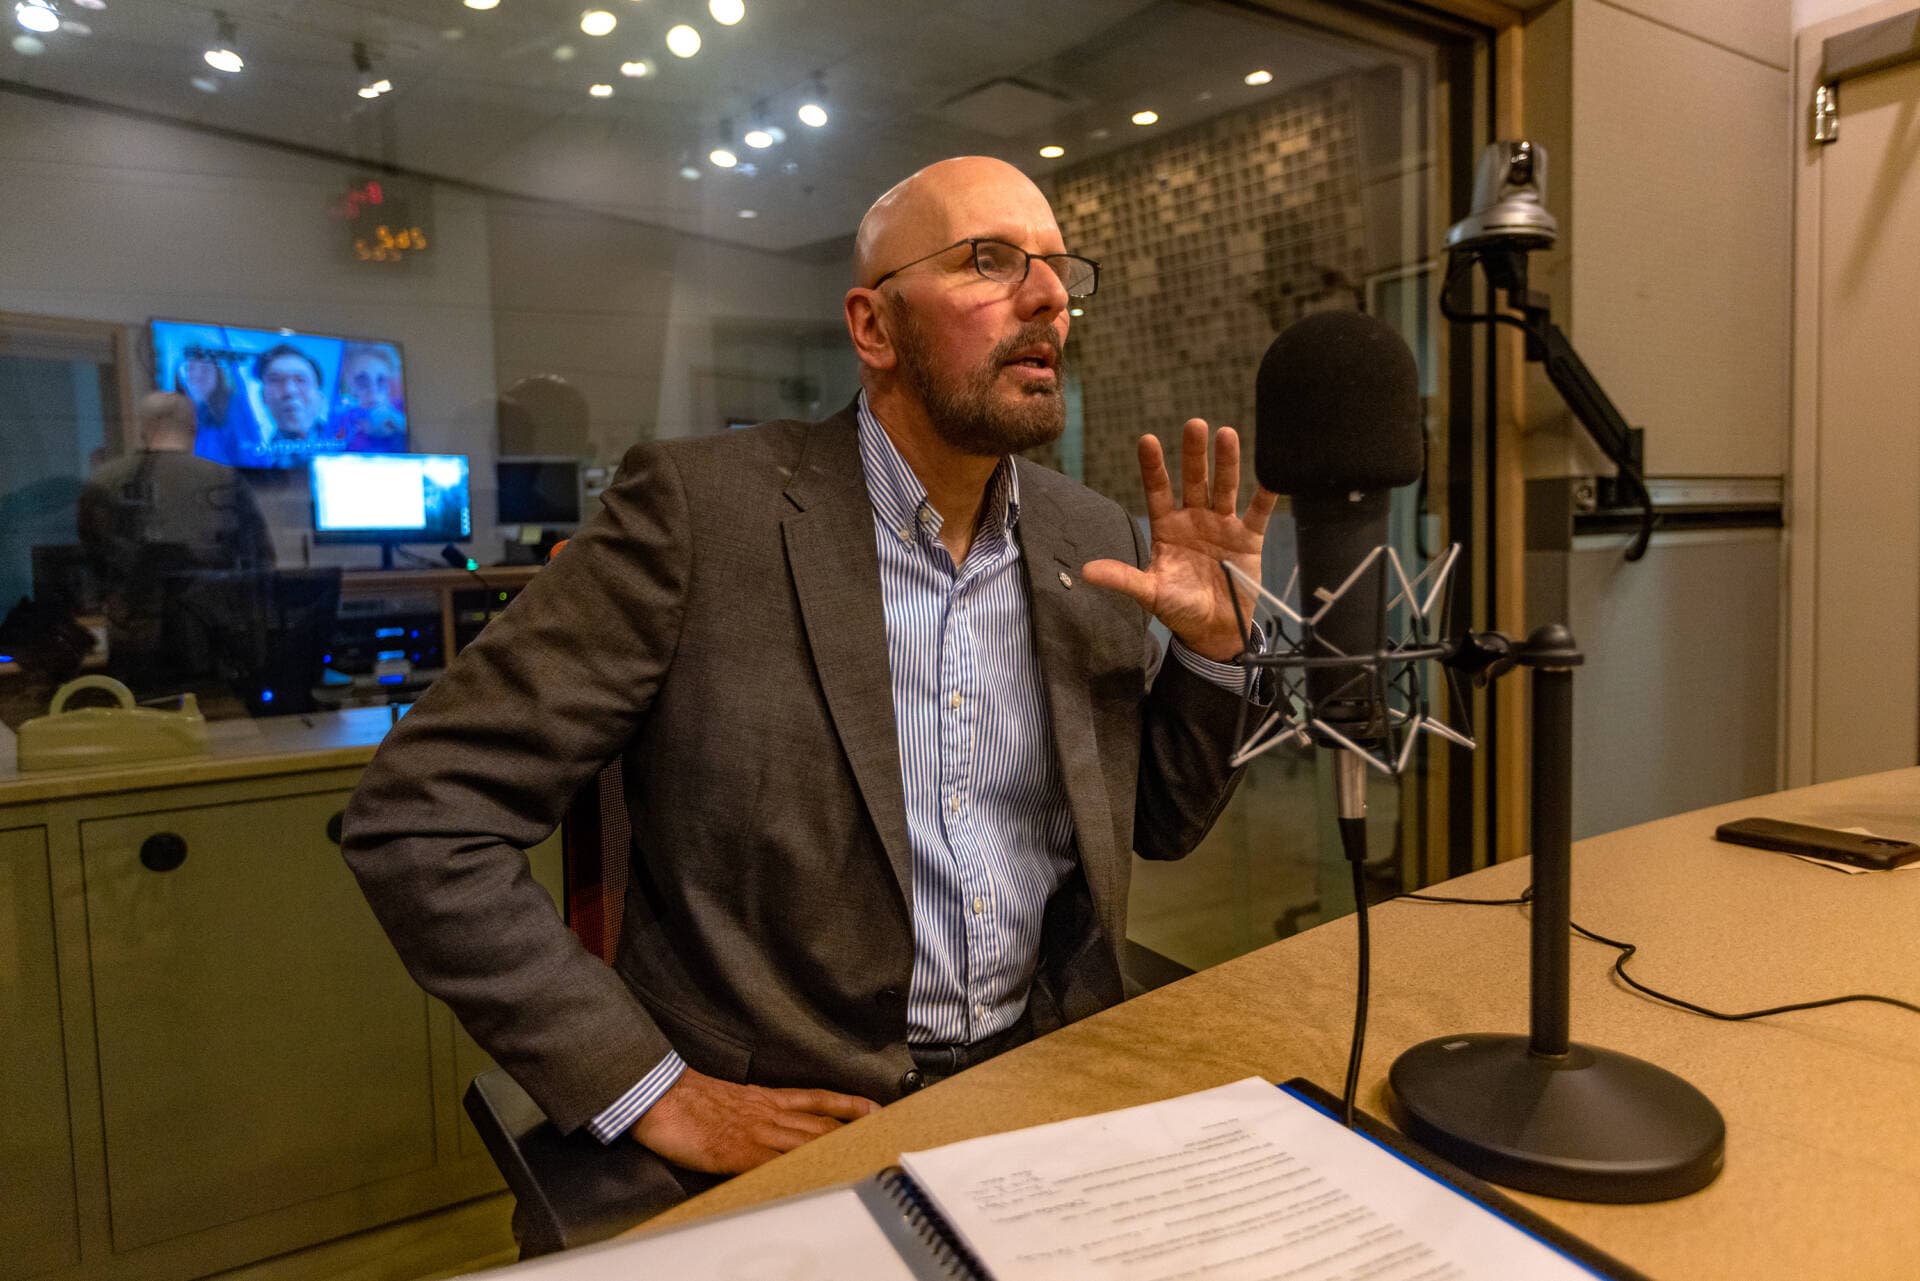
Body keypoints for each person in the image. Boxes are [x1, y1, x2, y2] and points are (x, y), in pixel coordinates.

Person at [342, 156, 1276, 1185]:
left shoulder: (1085, 534)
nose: (1051, 296)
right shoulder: (702, 516)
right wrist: (644, 1086)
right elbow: (422, 813)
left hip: (1042, 1083)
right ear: (874, 327)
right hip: (788, 1112)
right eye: (992, 261)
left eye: (1059, 270)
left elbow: (1160, 826)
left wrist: (1215, 652)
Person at [76, 391, 275, 689]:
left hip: (134, 640)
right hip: (210, 645)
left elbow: (91, 563)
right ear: (193, 428)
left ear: (142, 427)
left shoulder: (103, 481)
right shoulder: (225, 479)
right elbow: (261, 562)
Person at [174, 347, 262, 466]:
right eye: (190, 369)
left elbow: (250, 456)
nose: (197, 376)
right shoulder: (188, 409)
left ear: (218, 374)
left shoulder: (235, 406)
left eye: (205, 369)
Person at [251, 344, 340, 463]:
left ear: (320, 397)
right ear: (263, 397)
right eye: (276, 380)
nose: (290, 391)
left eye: (301, 380)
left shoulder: (351, 447)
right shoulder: (253, 456)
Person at [332, 344, 408, 453]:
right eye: (362, 380)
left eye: (381, 380)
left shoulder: (403, 412)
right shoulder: (339, 422)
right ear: (348, 382)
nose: (373, 391)